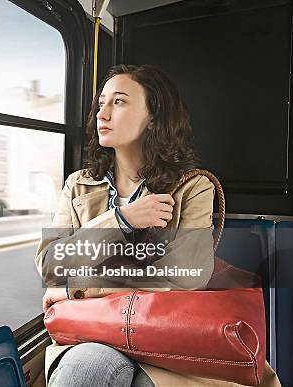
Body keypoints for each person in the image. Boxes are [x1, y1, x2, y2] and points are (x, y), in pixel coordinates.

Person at [34, 64, 281, 387]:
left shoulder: (193, 187)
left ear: (153, 117)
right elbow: (51, 263)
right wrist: (122, 220)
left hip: (168, 335)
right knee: (82, 374)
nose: (102, 114)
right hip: (93, 330)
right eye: (101, 103)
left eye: (119, 102)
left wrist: (75, 288)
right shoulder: (79, 185)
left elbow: (183, 279)